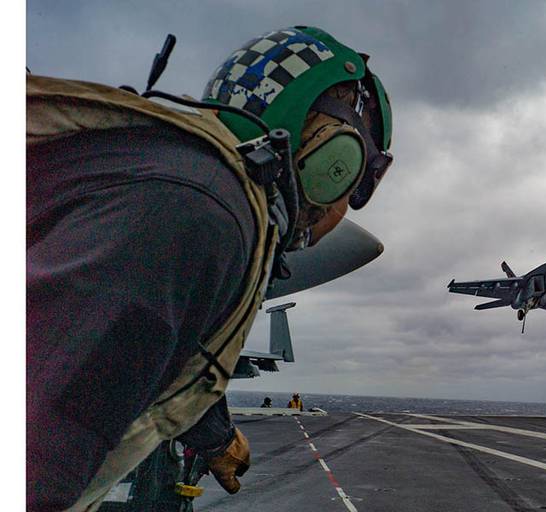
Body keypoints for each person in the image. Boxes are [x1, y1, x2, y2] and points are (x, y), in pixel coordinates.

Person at [27, 25, 393, 511]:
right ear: (332, 155)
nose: (347, 204)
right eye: (358, 178)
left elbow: (140, 352)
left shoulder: (181, 184)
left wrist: (215, 438)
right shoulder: (197, 212)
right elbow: (39, 446)